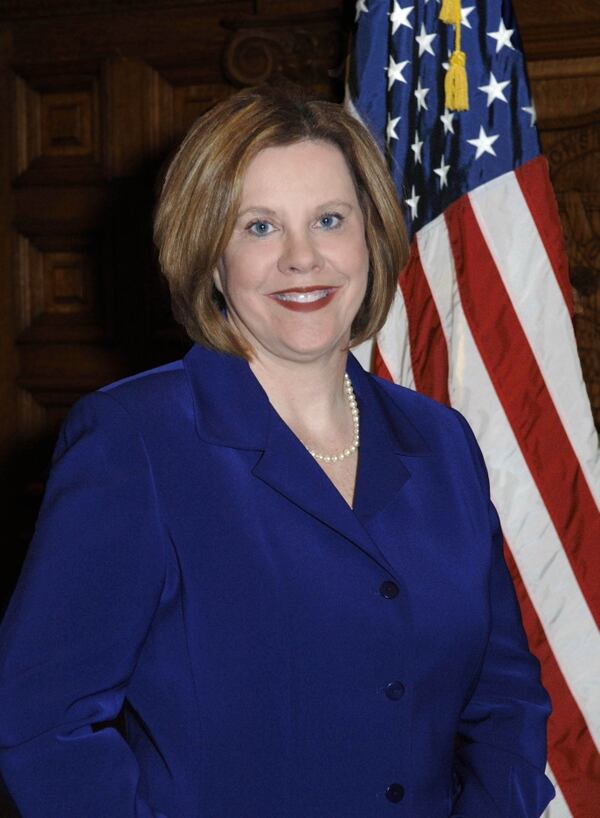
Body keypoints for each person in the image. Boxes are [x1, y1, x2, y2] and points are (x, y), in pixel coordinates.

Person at [0, 83, 555, 818]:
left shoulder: (441, 442)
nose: (303, 258)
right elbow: (42, 726)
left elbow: (506, 701)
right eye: (260, 227)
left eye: (329, 220)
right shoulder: (135, 440)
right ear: (210, 254)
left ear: (370, 236)